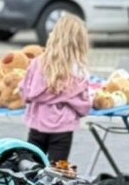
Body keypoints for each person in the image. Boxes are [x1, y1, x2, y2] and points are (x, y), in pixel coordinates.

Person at [19, 13, 92, 165]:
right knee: (56, 174)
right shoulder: (78, 71)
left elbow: (25, 92)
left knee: (30, 168)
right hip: (63, 129)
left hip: (37, 125)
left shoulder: (37, 63)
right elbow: (84, 106)